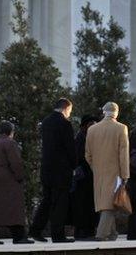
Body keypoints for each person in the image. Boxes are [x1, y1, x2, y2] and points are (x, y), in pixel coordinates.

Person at [30, 98, 76, 243]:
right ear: (66, 108)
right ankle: (58, 235)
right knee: (60, 203)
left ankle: (35, 230)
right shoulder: (65, 123)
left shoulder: (46, 122)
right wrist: (74, 165)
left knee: (47, 200)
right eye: (70, 111)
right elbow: (70, 148)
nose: (69, 114)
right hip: (61, 171)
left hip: (47, 169)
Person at [0, 121, 34, 245]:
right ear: (11, 132)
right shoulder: (10, 143)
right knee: (14, 206)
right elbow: (15, 162)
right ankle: (19, 236)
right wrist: (20, 177)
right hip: (7, 177)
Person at [85, 102, 129, 241]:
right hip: (115, 172)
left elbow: (88, 154)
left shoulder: (92, 129)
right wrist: (125, 174)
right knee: (110, 204)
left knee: (104, 201)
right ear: (116, 113)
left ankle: (112, 233)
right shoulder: (121, 128)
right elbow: (123, 153)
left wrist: (95, 167)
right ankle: (102, 234)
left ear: (104, 112)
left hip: (98, 172)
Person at [72, 114, 99, 240]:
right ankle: (84, 231)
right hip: (84, 177)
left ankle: (86, 230)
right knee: (84, 204)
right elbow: (81, 157)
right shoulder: (82, 138)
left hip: (87, 177)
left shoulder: (83, 136)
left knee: (87, 204)